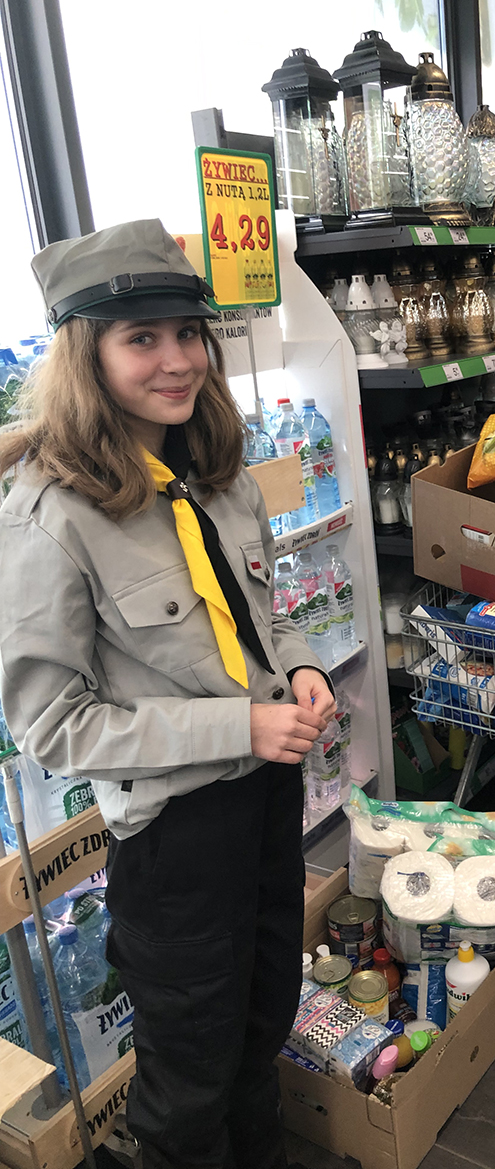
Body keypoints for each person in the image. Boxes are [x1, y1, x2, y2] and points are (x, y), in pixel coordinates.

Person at [0, 218, 332, 1169]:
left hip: (268, 800)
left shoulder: (217, 473)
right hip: (176, 836)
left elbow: (261, 618)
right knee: (187, 1079)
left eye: (188, 332)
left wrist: (301, 668)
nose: (178, 360)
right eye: (140, 338)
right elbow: (53, 726)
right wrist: (241, 725)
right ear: (86, 354)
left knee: (262, 1024)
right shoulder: (49, 513)